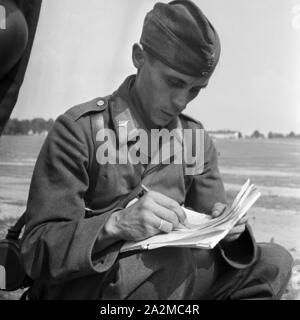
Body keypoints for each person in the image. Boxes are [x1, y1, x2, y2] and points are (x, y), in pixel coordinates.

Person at [20, 0, 293, 300]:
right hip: (93, 288)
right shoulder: (80, 131)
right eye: (173, 82)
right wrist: (116, 225)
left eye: (194, 89)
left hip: (169, 286)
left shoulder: (194, 139)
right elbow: (36, 249)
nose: (181, 101)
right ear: (139, 57)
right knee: (168, 265)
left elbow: (211, 232)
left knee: (274, 262)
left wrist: (227, 230)